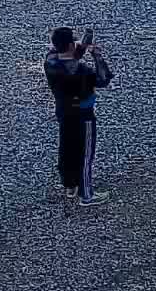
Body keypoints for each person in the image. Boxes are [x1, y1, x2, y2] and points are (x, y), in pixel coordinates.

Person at [44, 26, 114, 206]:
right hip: (84, 116)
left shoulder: (50, 62)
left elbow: (68, 58)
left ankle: (70, 186)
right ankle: (86, 194)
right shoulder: (83, 72)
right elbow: (103, 79)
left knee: (67, 149)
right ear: (69, 45)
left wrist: (83, 45)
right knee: (85, 154)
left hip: (64, 112)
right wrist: (97, 56)